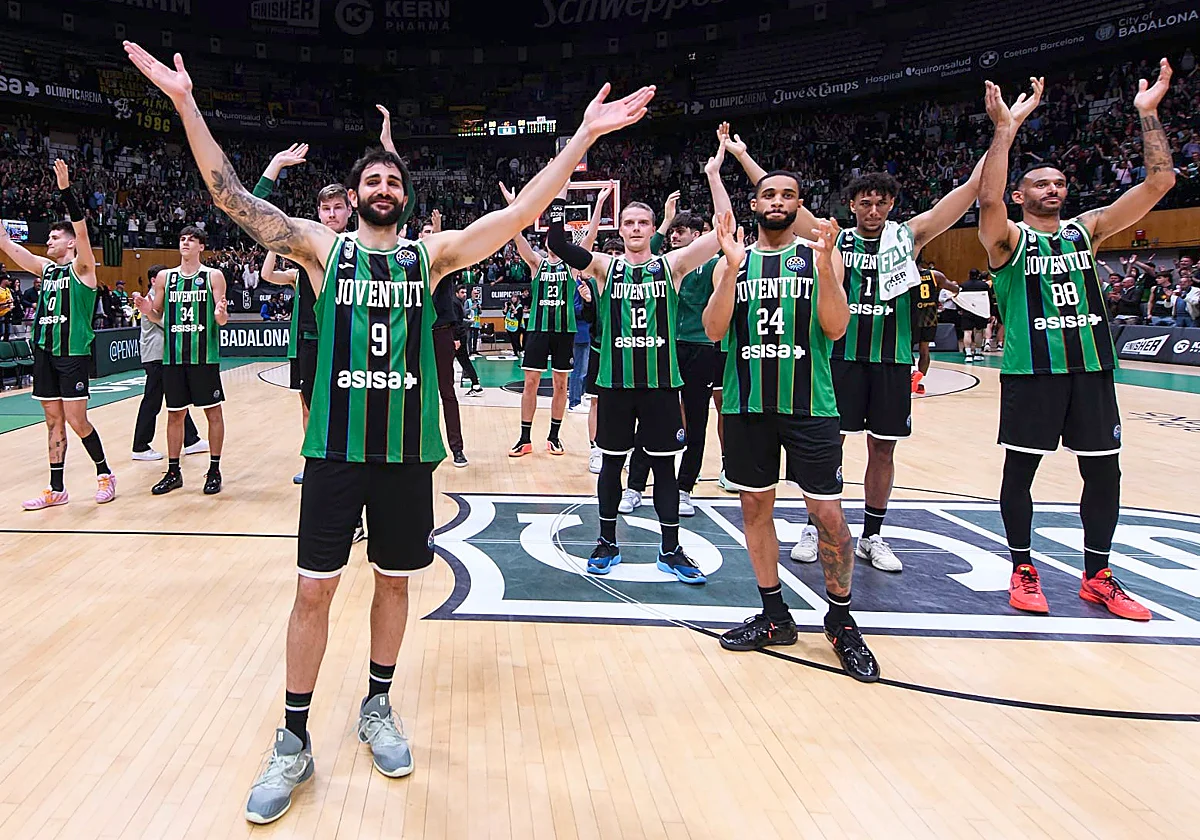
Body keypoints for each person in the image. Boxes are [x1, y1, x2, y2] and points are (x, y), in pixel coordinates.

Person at [125, 37, 654, 825]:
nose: (380, 187)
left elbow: (519, 214)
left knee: (396, 582)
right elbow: (232, 195)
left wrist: (582, 137)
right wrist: (184, 102)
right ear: (355, 193)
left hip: (407, 458)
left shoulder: (432, 257)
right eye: (369, 178)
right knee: (314, 590)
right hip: (335, 453)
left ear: (404, 194)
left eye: (390, 179)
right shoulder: (319, 247)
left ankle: (377, 705)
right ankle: (293, 736)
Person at [725, 125, 986, 574]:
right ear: (851, 205)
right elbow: (781, 201)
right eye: (864, 201)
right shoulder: (834, 238)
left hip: (890, 357)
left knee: (883, 449)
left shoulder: (910, 236)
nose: (872, 208)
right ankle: (814, 524)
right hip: (839, 358)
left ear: (891, 205)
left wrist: (1002, 134)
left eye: (881, 201)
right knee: (831, 448)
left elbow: (964, 194)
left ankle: (873, 534)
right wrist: (744, 156)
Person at [978, 62, 1176, 620]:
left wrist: (1148, 113)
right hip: (1032, 373)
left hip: (1091, 372)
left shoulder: (1084, 231)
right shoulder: (1008, 243)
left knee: (1104, 472)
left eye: (1060, 183)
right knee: (1021, 473)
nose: (1053, 189)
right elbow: (987, 204)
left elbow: (1160, 184)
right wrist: (1004, 131)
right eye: (1041, 183)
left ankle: (1098, 575)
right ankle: (1022, 567)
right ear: (1021, 195)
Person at [701, 188, 879, 683]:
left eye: (789, 195)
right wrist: (731, 269)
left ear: (799, 207)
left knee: (827, 513)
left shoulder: (819, 256)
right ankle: (775, 615)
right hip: (747, 405)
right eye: (768, 195)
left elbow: (837, 327)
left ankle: (841, 621)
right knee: (755, 509)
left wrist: (826, 271)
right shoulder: (732, 261)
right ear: (754, 206)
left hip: (812, 406)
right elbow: (714, 332)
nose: (778, 201)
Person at [546, 163, 730, 585]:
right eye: (628, 222)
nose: (634, 228)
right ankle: (607, 541)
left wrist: (714, 175)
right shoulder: (603, 266)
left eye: (642, 222)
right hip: (614, 385)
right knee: (612, 467)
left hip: (662, 386)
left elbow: (724, 230)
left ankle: (671, 549)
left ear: (653, 229)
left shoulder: (674, 265)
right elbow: (557, 241)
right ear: (621, 228)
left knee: (664, 470)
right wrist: (560, 191)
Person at [622, 129, 730, 517]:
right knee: (652, 418)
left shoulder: (712, 263)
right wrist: (663, 223)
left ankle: (685, 487)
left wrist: (714, 175)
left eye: (683, 231)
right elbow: (636, 254)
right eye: (674, 232)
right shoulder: (664, 265)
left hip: (701, 349)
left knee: (696, 420)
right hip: (666, 348)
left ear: (697, 234)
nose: (676, 237)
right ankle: (635, 485)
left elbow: (726, 229)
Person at [0, 160, 116, 509]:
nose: (47, 241)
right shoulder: (47, 269)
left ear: (69, 244)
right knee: (52, 421)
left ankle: (105, 474)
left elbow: (82, 232)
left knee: (77, 420)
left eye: (53, 237)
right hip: (46, 353)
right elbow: (11, 248)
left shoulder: (83, 269)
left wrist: (65, 191)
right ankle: (56, 488)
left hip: (73, 353)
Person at [256, 143, 349, 485]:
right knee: (308, 403)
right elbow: (258, 217)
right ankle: (314, 462)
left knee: (346, 406)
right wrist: (274, 167)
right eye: (325, 209)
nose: (331, 215)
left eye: (338, 208)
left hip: (345, 339)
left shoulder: (357, 245)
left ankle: (345, 462)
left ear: (349, 211)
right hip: (309, 337)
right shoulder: (306, 245)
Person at [500, 180, 612, 457]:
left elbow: (592, 235)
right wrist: (513, 206)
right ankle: (524, 437)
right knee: (530, 382)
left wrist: (598, 204)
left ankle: (554, 436)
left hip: (565, 331)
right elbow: (517, 236)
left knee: (561, 383)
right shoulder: (536, 263)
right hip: (538, 329)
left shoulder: (573, 265)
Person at [133, 226, 229, 495]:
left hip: (204, 356)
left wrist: (220, 313)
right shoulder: (165, 277)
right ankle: (174, 471)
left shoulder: (213, 276)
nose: (185, 242)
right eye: (182, 239)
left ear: (201, 247)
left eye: (192, 239)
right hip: (173, 357)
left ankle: (214, 469)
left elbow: (221, 320)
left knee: (213, 413)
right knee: (175, 415)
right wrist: (145, 309)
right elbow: (156, 314)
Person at [131, 263, 205, 460]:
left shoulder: (160, 297)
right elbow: (167, 322)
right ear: (154, 280)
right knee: (152, 401)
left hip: (164, 355)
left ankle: (191, 440)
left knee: (177, 399)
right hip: (156, 356)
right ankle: (140, 446)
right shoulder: (150, 299)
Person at [912, 263, 958, 394]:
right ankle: (919, 383)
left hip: (912, 316)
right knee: (924, 351)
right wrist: (956, 291)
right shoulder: (935, 275)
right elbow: (954, 288)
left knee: (905, 349)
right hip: (929, 317)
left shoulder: (907, 275)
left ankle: (910, 375)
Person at [452, 284, 483, 396]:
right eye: (462, 292)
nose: (464, 295)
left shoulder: (456, 303)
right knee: (464, 361)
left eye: (465, 292)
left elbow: (456, 323)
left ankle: (475, 385)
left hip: (459, 337)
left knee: (463, 361)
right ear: (456, 293)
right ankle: (475, 384)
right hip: (460, 335)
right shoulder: (456, 303)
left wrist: (456, 338)